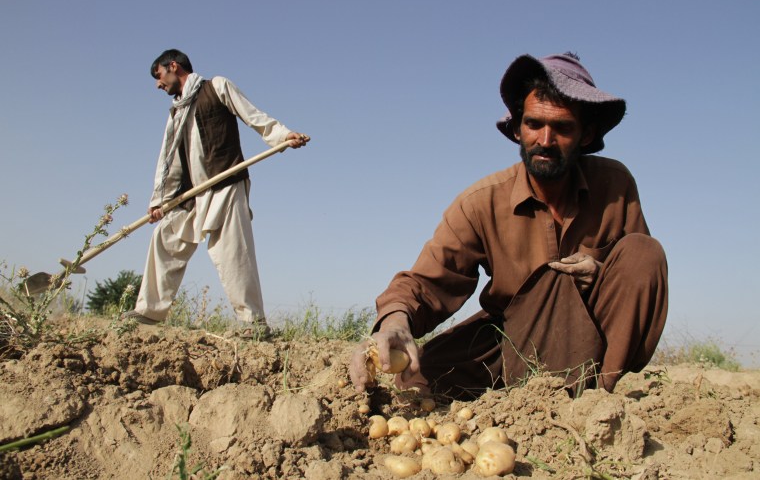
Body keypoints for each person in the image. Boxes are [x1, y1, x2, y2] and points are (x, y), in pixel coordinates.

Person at [350, 52, 668, 399]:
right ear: (517, 129)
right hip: (513, 340)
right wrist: (396, 322)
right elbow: (428, 281)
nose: (545, 141)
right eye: (534, 124)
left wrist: (601, 274)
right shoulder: (482, 202)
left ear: (586, 134)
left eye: (562, 128)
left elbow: (637, 281)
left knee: (643, 253)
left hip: (594, 343)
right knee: (421, 375)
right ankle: (529, 392)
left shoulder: (615, 186)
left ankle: (598, 399)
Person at [123, 49, 309, 329]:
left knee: (233, 252)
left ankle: (253, 322)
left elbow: (252, 115)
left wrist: (282, 135)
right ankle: (150, 311)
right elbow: (168, 160)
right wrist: (159, 200)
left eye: (159, 76)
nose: (158, 84)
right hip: (190, 194)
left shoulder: (216, 87)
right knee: (165, 239)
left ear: (173, 66)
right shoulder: (176, 112)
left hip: (224, 183)